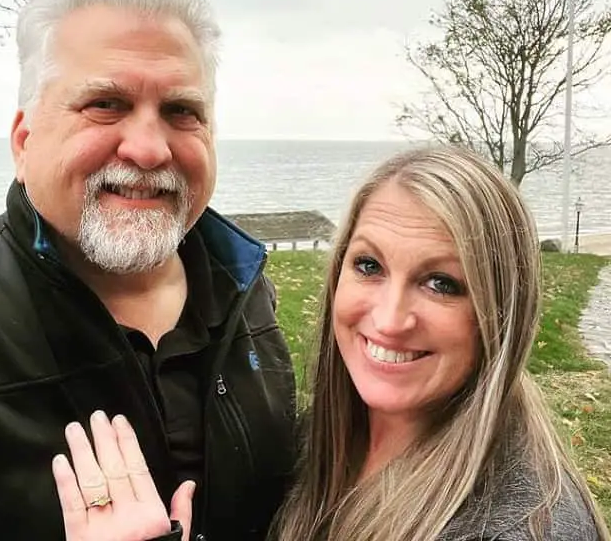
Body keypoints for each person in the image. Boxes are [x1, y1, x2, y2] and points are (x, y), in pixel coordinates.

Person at [0, 0, 297, 541]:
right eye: (105, 103)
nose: (149, 147)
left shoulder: (246, 298)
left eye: (182, 111)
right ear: (24, 140)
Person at [51, 146, 610, 541]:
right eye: (368, 265)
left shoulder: (521, 527)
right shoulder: (318, 442)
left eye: (442, 283)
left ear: (502, 314)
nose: (389, 320)